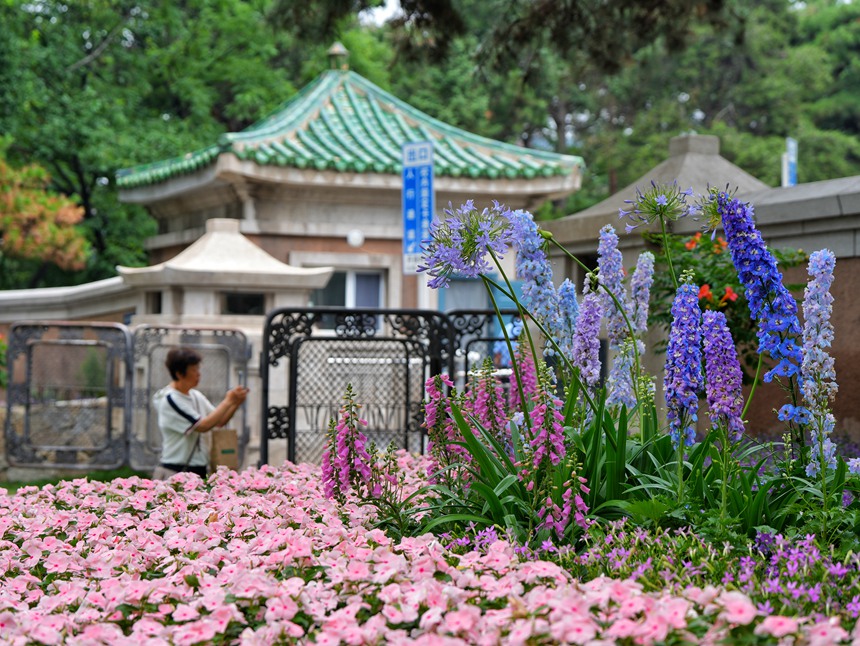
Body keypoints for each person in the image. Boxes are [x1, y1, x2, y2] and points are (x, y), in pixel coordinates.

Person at [151, 347, 248, 480]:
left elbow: (219, 421)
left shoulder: (195, 395)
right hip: (176, 470)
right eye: (194, 370)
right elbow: (203, 426)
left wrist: (235, 403)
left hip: (198, 468)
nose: (199, 374)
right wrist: (228, 401)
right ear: (179, 374)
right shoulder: (170, 399)